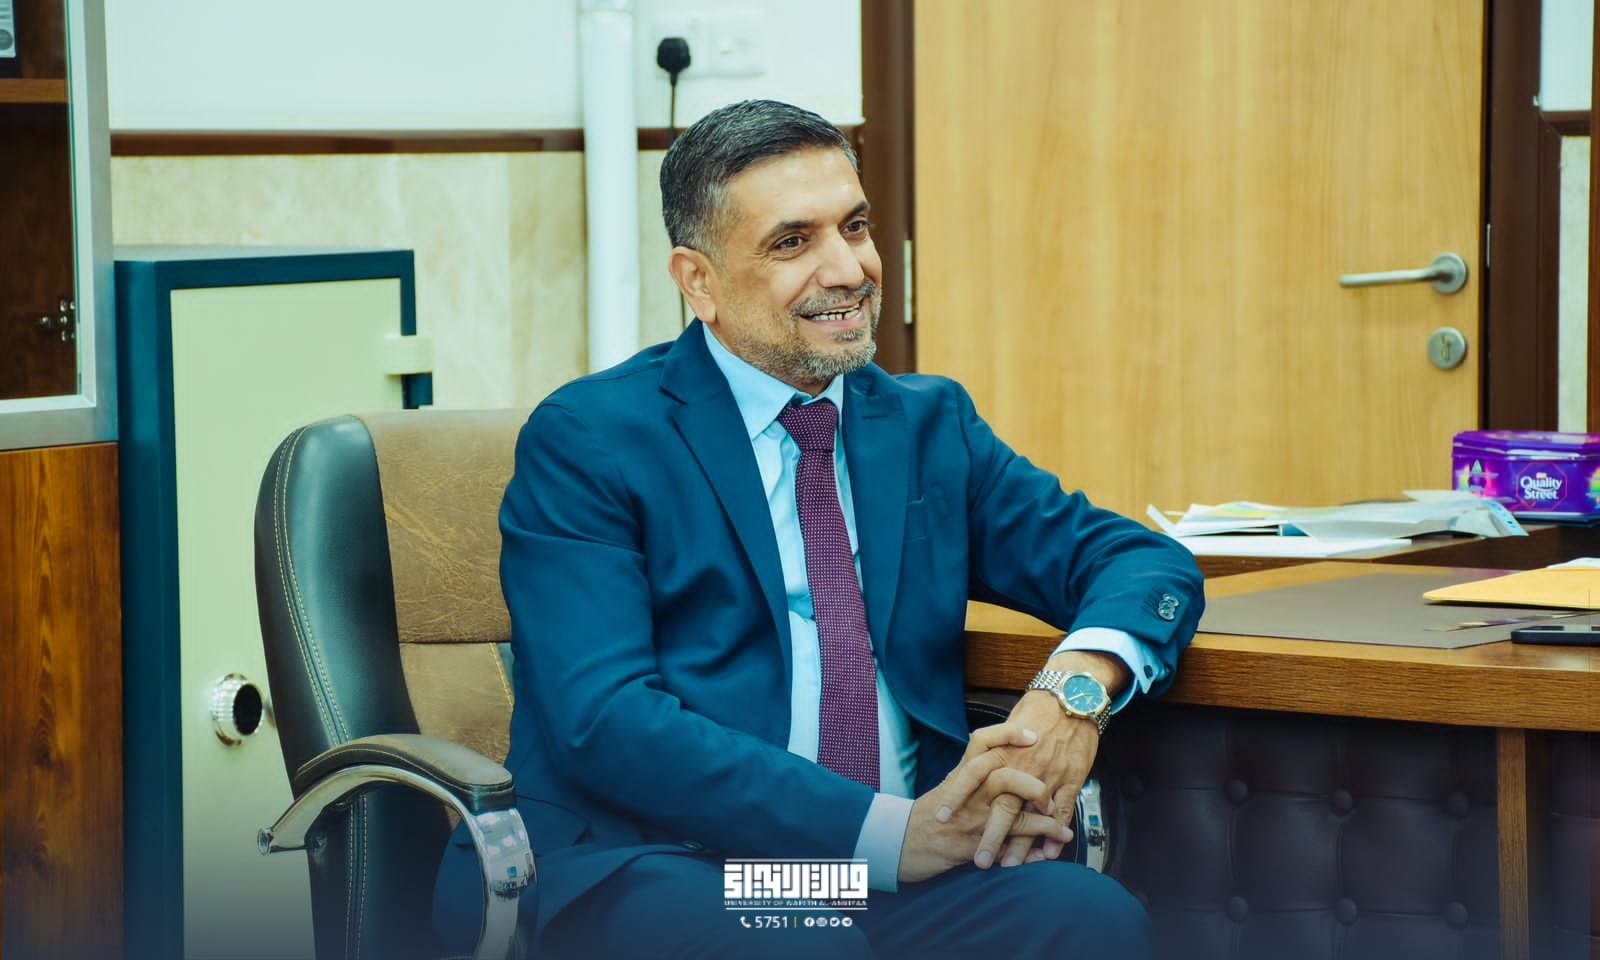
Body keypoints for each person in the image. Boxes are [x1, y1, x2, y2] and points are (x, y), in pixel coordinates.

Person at [434, 98, 1204, 959]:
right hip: (679, 862)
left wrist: (1075, 691)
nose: (848, 269)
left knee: (1089, 919)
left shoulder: (926, 425)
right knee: (804, 946)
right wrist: (890, 836)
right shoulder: (592, 439)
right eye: (792, 242)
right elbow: (606, 721)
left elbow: (1139, 562)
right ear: (698, 280)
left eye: (855, 227)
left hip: (888, 869)